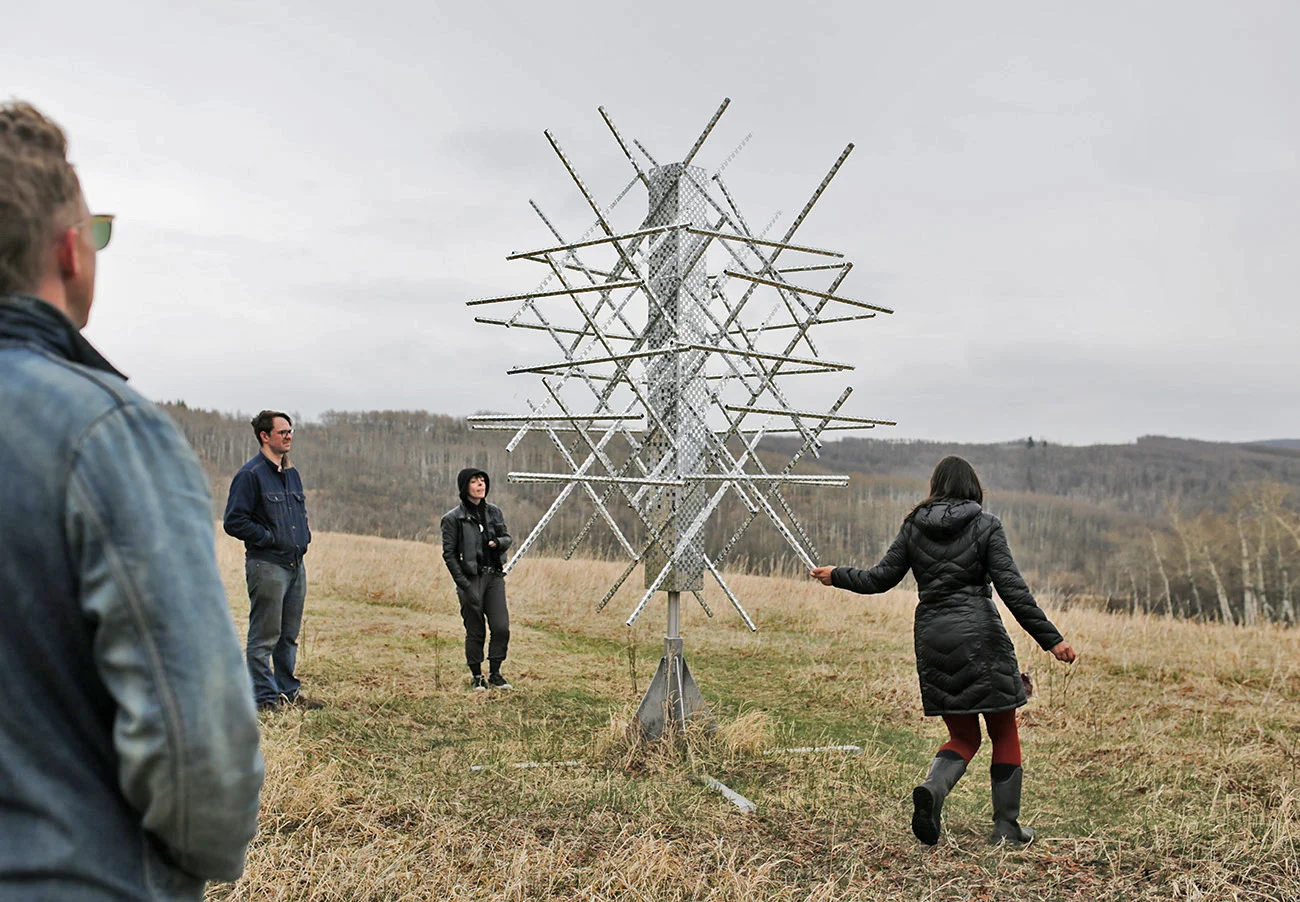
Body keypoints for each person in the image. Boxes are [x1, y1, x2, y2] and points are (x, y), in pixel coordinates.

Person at [0, 101, 264, 898]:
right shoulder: (106, 434)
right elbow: (201, 754)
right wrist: (199, 863)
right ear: (72, 252)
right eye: (97, 231)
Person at [810, 456, 1076, 846]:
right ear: (972, 488)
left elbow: (880, 578)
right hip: (980, 634)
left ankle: (933, 789)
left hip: (933, 636)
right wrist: (1052, 639)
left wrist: (837, 576)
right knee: (1002, 729)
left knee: (964, 735)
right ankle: (1006, 827)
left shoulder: (914, 526)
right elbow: (1012, 589)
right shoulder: (986, 525)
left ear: (935, 486)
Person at [224, 410, 323, 711]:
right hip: (267, 565)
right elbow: (234, 521)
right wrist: (269, 538)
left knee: (288, 636)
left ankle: (287, 693)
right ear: (264, 436)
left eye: (291, 431)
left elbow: (298, 514)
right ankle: (264, 699)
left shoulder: (291, 473)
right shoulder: (250, 475)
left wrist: (302, 536)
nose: (289, 436)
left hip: (295, 565)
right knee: (264, 636)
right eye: (283, 432)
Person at [441, 467, 514, 689]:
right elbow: (449, 554)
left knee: (501, 628)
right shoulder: (453, 518)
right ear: (465, 487)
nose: (481, 485)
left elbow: (506, 537)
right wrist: (463, 584)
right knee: (476, 630)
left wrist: (499, 543)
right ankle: (476, 677)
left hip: (494, 578)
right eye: (475, 481)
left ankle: (496, 673)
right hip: (470, 579)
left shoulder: (494, 512)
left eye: (483, 481)